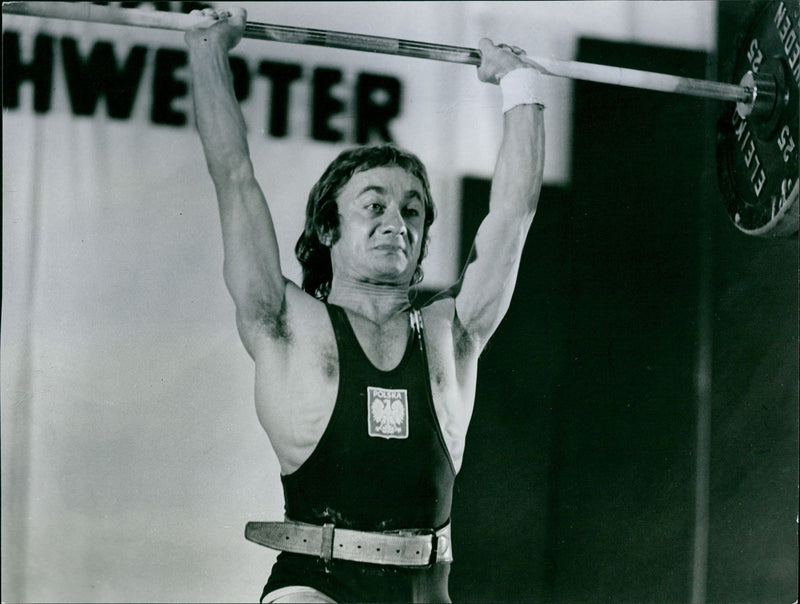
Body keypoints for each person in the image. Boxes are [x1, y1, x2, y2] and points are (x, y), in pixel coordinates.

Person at [185, 6, 544, 603]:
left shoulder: (452, 334)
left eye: (411, 210)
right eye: (373, 206)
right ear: (328, 229)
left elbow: (514, 213)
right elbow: (234, 176)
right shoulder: (285, 322)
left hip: (426, 590)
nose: (396, 223)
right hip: (314, 586)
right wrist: (207, 51)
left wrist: (521, 85)